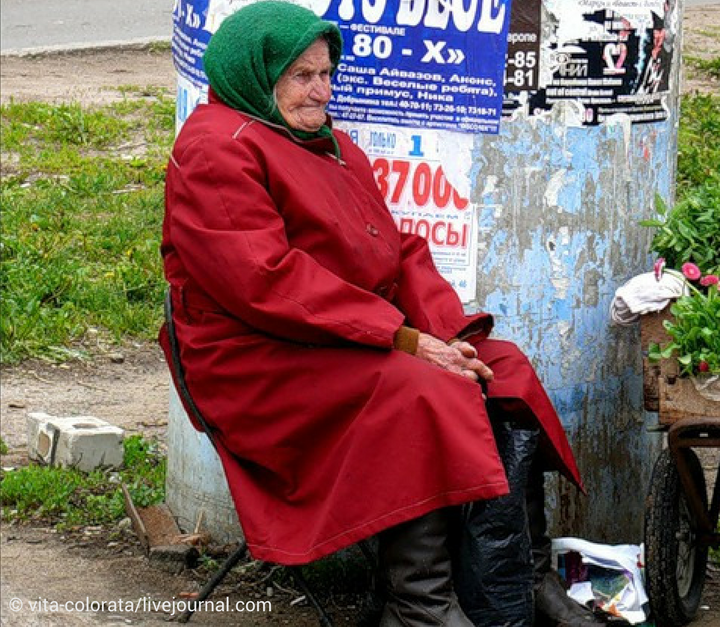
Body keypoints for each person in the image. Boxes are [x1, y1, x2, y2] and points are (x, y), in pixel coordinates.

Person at [160, 3, 613, 626]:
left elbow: (397, 252)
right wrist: (403, 340)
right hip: (256, 361)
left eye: (327, 73)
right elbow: (266, 281)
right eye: (303, 76)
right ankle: (418, 606)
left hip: (337, 337)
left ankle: (517, 581)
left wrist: (447, 335)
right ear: (255, 76)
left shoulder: (330, 143)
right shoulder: (216, 149)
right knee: (418, 392)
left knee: (499, 369)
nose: (323, 90)